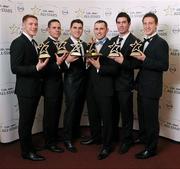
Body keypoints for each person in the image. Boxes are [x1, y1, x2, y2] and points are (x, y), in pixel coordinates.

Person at [10, 14, 49, 161]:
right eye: (31, 24)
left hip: (34, 89)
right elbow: (15, 68)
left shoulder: (33, 42)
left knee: (29, 120)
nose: (34, 27)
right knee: (25, 122)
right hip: (25, 90)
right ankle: (26, 152)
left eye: (36, 24)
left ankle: (29, 146)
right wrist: (36, 68)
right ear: (23, 25)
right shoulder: (19, 42)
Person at [131, 12, 169, 159]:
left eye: (150, 23)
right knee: (142, 116)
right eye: (145, 23)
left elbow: (164, 66)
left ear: (156, 25)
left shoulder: (161, 43)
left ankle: (151, 148)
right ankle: (143, 137)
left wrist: (145, 58)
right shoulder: (141, 42)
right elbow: (139, 65)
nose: (147, 26)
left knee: (151, 120)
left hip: (152, 89)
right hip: (141, 87)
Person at [80, 20, 117, 160]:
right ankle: (96, 137)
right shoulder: (90, 45)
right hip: (91, 87)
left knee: (107, 118)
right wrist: (86, 63)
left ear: (107, 30)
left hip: (105, 88)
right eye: (96, 28)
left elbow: (115, 69)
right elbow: (87, 67)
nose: (99, 31)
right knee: (93, 115)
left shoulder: (113, 46)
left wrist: (99, 66)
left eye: (102, 28)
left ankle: (107, 146)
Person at [108, 12, 140, 154]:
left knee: (126, 114)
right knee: (112, 112)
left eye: (124, 22)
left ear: (129, 24)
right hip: (110, 84)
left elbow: (136, 65)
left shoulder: (135, 41)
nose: (121, 25)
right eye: (118, 22)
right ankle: (114, 136)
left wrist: (123, 62)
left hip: (125, 84)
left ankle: (127, 140)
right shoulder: (112, 40)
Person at [39, 19, 67, 153]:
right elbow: (43, 68)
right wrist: (58, 64)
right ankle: (49, 142)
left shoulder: (60, 44)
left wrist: (65, 63)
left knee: (56, 113)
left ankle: (54, 136)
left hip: (58, 84)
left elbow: (62, 66)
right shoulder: (45, 45)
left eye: (59, 28)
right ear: (48, 29)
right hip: (49, 86)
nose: (57, 30)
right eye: (54, 28)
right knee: (50, 114)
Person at [63, 19, 87, 152]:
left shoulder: (84, 44)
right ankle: (67, 138)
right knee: (71, 110)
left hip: (83, 82)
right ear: (70, 29)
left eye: (80, 28)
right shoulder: (65, 44)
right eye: (75, 27)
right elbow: (60, 66)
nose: (77, 30)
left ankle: (75, 132)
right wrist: (66, 61)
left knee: (78, 109)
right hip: (71, 82)